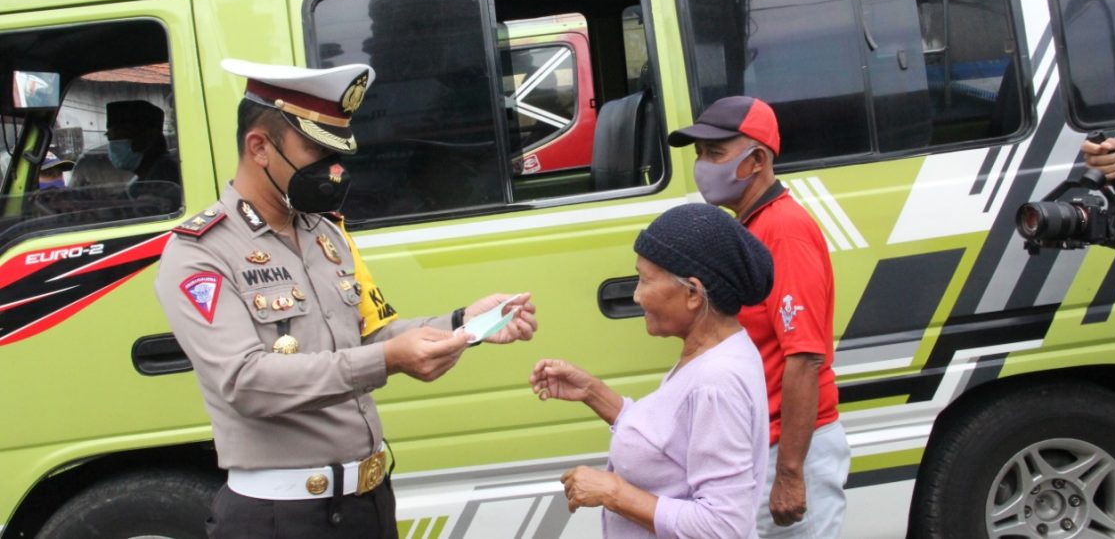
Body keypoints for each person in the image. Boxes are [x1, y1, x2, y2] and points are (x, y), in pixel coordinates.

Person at [154, 58, 537, 538]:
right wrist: (387, 361)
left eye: (338, 154)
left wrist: (465, 324)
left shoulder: (325, 233)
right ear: (260, 148)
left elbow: (374, 331)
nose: (333, 170)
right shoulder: (200, 253)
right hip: (283, 517)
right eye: (317, 152)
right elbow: (245, 382)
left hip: (367, 503)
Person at [532, 202, 773, 538]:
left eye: (645, 281)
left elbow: (722, 527)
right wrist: (592, 393)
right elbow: (669, 442)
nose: (636, 296)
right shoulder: (710, 353)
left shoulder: (716, 381)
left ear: (692, 292)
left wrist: (613, 493)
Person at [667, 96, 850, 537]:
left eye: (715, 153)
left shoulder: (784, 230)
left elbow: (805, 357)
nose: (702, 165)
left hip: (785, 451)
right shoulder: (749, 227)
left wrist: (789, 473)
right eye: (699, 154)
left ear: (757, 160)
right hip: (757, 445)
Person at [72, 100, 179, 188]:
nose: (112, 145)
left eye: (117, 137)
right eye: (110, 138)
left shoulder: (164, 174)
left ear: (147, 137)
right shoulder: (143, 178)